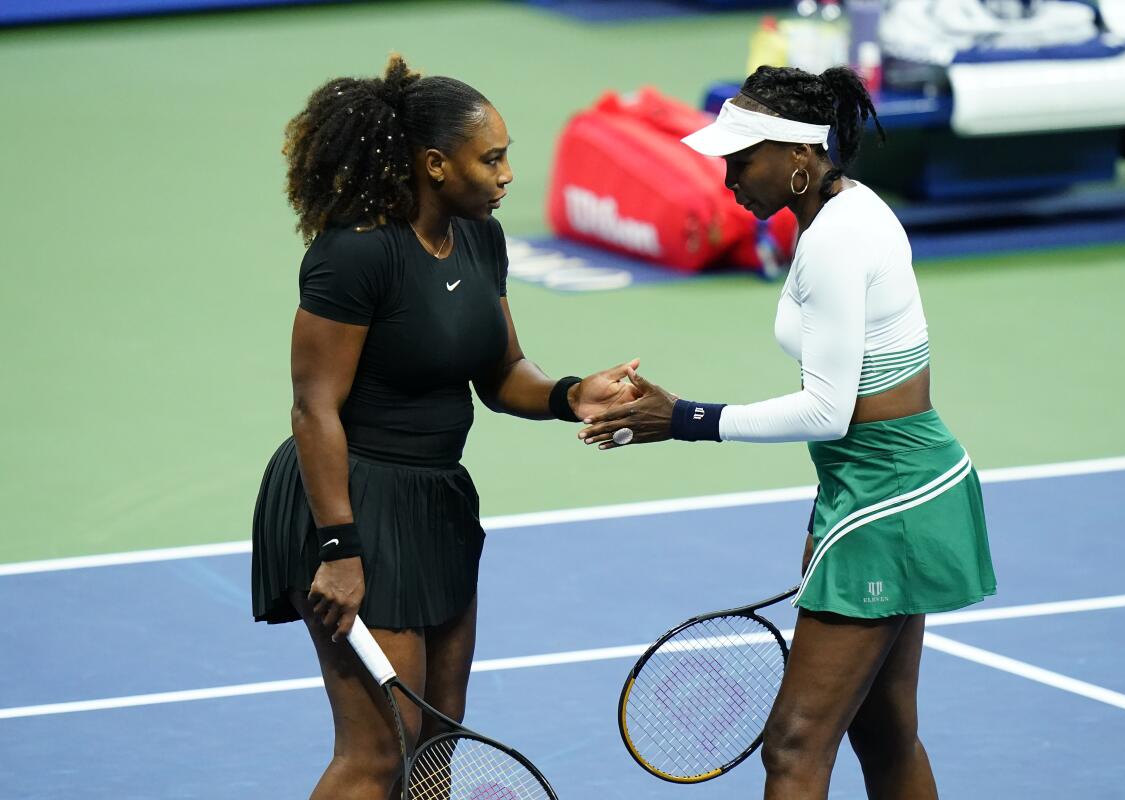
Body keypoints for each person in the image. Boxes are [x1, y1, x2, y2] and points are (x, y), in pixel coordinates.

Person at [578, 66, 996, 800]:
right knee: (883, 731)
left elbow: (827, 412)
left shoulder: (838, 240)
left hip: (888, 497)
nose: (728, 178)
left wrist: (682, 419)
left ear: (800, 158)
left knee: (794, 745)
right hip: (876, 487)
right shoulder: (840, 215)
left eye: (742, 161)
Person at [251, 54, 638, 799]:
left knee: (439, 740)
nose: (506, 176)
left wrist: (571, 395)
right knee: (380, 748)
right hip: (350, 501)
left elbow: (503, 373)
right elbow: (313, 408)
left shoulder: (479, 240)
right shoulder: (356, 254)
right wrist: (340, 549)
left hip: (437, 503)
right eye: (490, 158)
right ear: (434, 164)